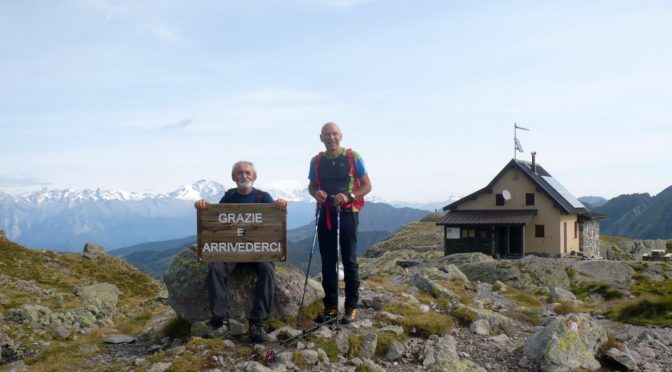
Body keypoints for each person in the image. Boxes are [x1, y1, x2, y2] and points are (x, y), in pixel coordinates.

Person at [194, 160, 287, 343]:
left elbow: (274, 220)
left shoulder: (263, 198)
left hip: (258, 250)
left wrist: (280, 204)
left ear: (254, 177)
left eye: (247, 173)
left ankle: (257, 323)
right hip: (232, 250)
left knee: (267, 270)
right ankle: (220, 320)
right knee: (216, 270)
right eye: (239, 173)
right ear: (233, 177)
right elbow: (217, 220)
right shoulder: (228, 198)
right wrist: (203, 205)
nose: (244, 176)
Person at [308, 122, 372, 324]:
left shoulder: (354, 157)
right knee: (328, 261)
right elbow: (312, 185)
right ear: (321, 138)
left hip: (347, 213)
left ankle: (351, 307)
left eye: (334, 134)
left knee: (349, 260)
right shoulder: (316, 160)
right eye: (327, 135)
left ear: (341, 136)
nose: (331, 138)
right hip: (325, 212)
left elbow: (367, 185)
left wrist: (349, 195)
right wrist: (316, 193)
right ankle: (331, 307)